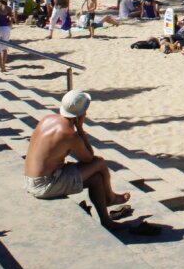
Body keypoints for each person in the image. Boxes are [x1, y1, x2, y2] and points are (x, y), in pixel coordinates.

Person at [23, 90, 131, 230]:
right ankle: (110, 198)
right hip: (44, 184)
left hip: (31, 179)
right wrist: (80, 128)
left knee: (97, 179)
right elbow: (89, 158)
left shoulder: (47, 119)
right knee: (99, 163)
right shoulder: (69, 134)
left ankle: (106, 221)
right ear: (81, 113)